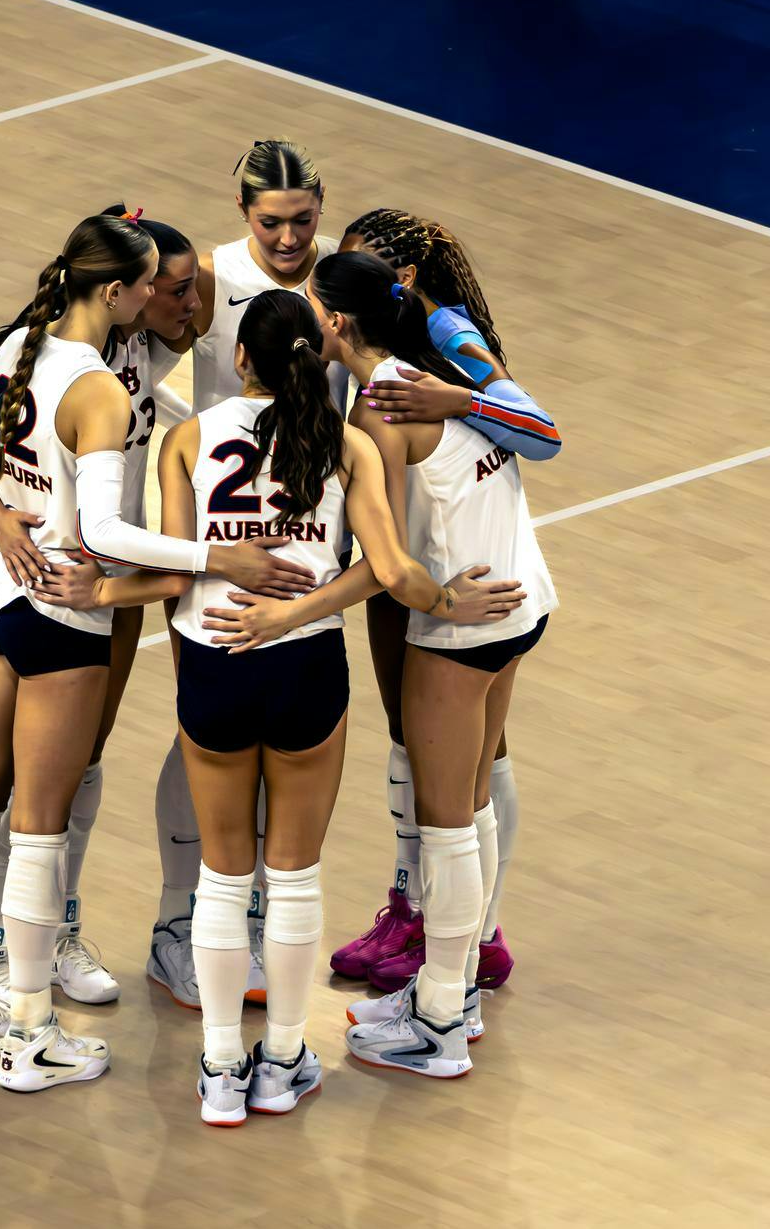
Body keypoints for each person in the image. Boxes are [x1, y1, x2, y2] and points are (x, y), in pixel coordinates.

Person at [39, 291, 525, 1120]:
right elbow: (385, 569)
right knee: (294, 876)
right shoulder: (347, 443)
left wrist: (104, 589)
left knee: (224, 877)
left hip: (213, 659)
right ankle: (286, 1060)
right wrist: (430, 603)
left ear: (241, 359)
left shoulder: (189, 439)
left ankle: (222, 1068)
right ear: (316, 358)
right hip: (306, 665)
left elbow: (178, 570)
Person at [0, 212, 311, 1091]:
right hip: (64, 602)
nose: (173, 302)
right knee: (37, 826)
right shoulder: (96, 386)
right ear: (116, 289)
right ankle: (30, 1033)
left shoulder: (20, 344)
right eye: (153, 287)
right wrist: (216, 557)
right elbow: (99, 531)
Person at [204, 251, 557, 1077]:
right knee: (472, 808)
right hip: (522, 598)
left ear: (334, 322)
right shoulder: (441, 364)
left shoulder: (380, 410)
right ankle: (454, 992)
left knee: (446, 824)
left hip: (463, 622)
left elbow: (388, 564)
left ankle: (439, 1024)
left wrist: (293, 609)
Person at [0, 209, 202, 1009]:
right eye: (171, 288)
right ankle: (1, 943)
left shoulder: (147, 345)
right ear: (123, 287)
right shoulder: (58, 352)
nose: (188, 304)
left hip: (115, 583)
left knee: (82, 760)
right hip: (58, 581)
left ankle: (55, 928)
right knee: (20, 780)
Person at [328, 210, 561, 997]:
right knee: (417, 748)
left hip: (449, 582)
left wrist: (460, 399)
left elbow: (542, 433)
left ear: (402, 280)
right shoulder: (379, 356)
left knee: (462, 778)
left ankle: (460, 947)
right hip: (429, 565)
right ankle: (417, 909)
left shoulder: (446, 335)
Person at [149, 139, 346, 1012]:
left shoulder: (338, 278)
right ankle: (177, 922)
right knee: (200, 732)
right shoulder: (212, 276)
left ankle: (249, 918)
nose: (290, 238)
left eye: (303, 220)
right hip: (215, 542)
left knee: (270, 743)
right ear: (242, 214)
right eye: (272, 223)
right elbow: (134, 353)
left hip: (309, 544)